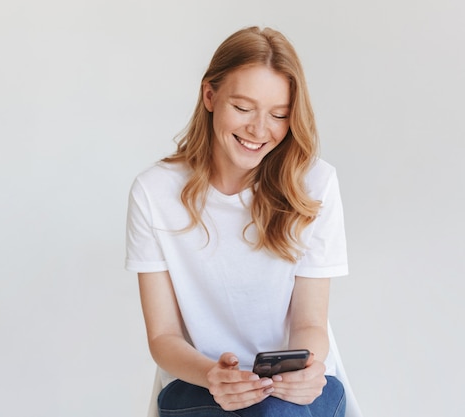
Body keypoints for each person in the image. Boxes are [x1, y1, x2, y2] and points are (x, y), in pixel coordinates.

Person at [126, 26, 349, 417]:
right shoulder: (154, 192)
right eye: (243, 109)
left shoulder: (315, 184)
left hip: (294, 392)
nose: (259, 130)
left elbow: (311, 321)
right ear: (210, 96)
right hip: (199, 386)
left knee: (275, 412)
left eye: (278, 114)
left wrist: (306, 367)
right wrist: (214, 375)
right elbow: (163, 336)